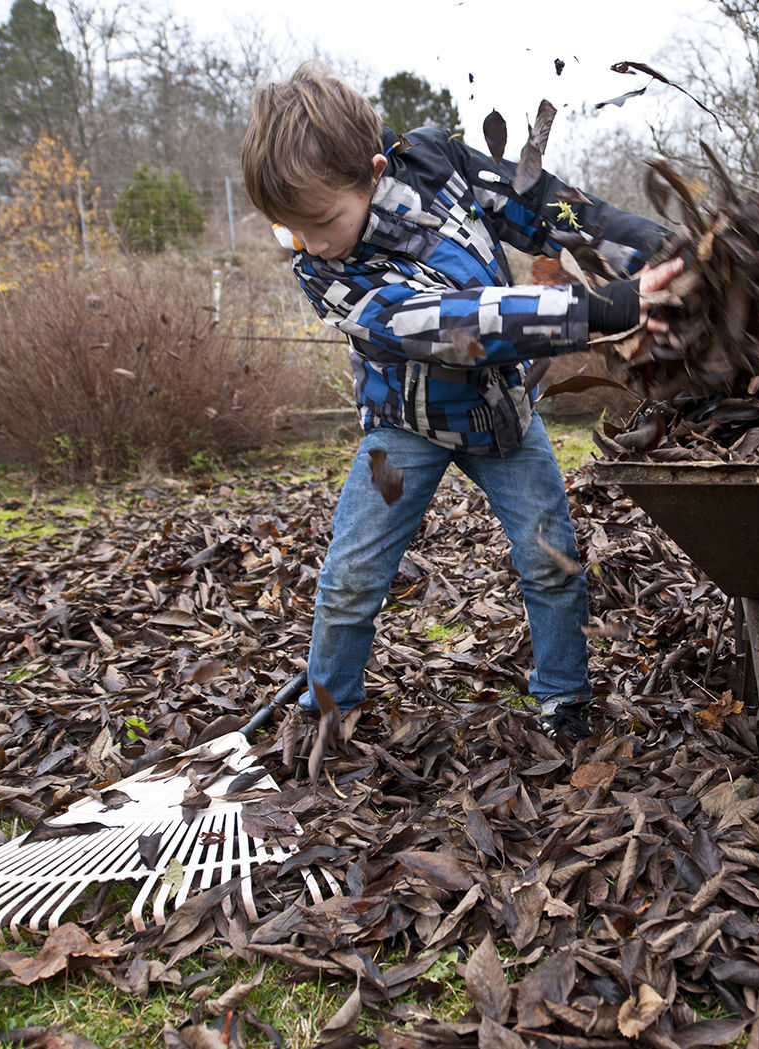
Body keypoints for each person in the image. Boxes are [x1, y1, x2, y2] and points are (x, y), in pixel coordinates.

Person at [240, 63, 683, 741]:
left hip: (501, 415)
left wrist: (644, 250)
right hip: (405, 425)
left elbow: (539, 209)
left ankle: (563, 697)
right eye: (294, 229)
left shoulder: (438, 163)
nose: (314, 242)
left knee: (550, 557)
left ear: (376, 169)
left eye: (323, 221)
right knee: (353, 572)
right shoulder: (324, 274)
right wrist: (601, 309)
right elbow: (456, 325)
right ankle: (328, 710)